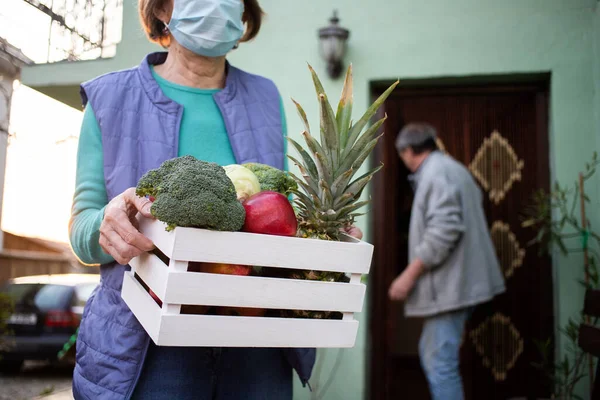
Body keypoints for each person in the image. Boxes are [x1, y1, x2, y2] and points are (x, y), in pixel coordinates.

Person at [68, 0, 361, 398]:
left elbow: (277, 212)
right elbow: (82, 226)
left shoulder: (265, 96)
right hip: (146, 347)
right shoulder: (109, 98)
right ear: (161, 9)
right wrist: (106, 224)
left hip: (257, 337)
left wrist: (320, 235)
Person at [388, 123, 506, 400]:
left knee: (439, 361)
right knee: (433, 354)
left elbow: (445, 230)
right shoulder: (453, 169)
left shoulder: (436, 173)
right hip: (456, 283)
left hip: (452, 285)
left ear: (406, 151)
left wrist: (408, 276)